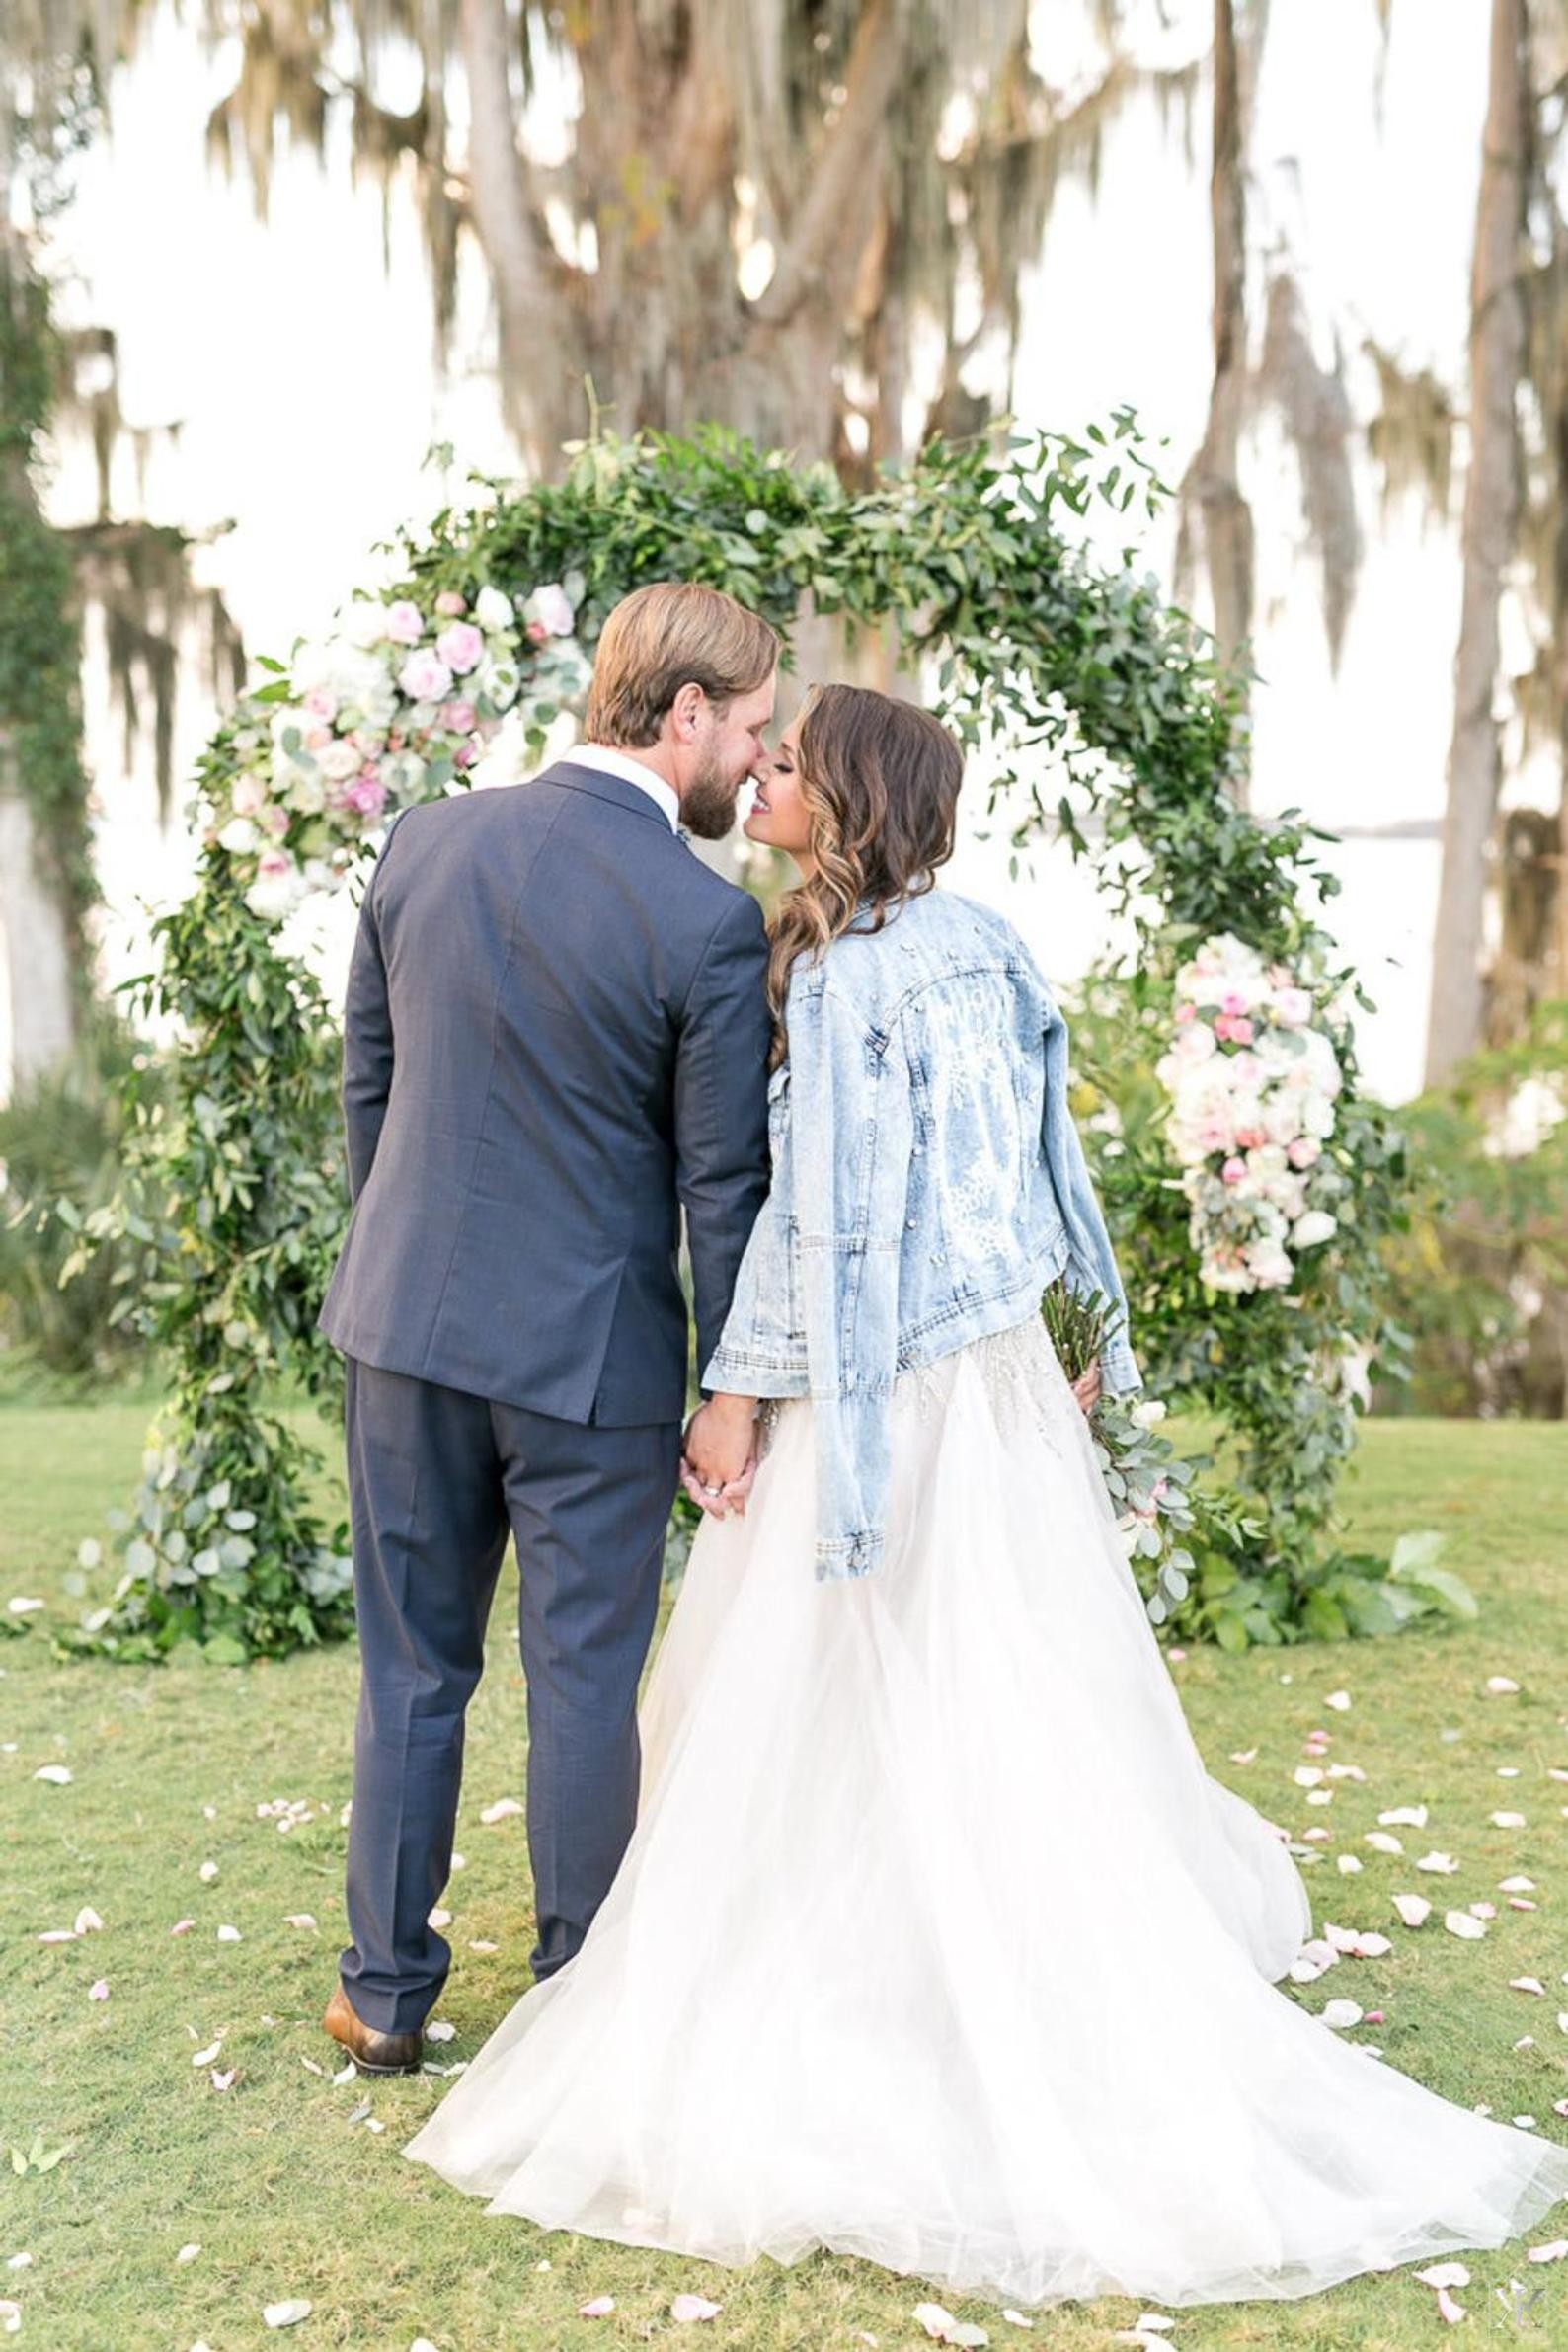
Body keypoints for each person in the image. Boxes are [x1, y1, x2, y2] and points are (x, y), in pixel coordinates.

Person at [403, 684, 1568, 2310]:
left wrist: (738, 1394)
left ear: (852, 800)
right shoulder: (990, 946)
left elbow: (820, 1225)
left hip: (881, 1397)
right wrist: (1070, 1326)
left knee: (864, 1681)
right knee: (1007, 1674)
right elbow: (1040, 1171)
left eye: (795, 763)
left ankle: (907, 1983)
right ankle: (992, 1951)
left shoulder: (843, 981)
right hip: (1000, 1379)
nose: (768, 775)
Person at [315, 581, 779, 2074]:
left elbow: (369, 1097)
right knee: (583, 1679)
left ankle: (384, 1995)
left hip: (404, 1334)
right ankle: (579, 2006)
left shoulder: (424, 842)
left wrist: (405, 1260)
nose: (759, 767)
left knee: (411, 1668)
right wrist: (733, 1389)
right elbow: (725, 1187)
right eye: (755, 730)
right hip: (593, 1371)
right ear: (686, 714)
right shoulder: (708, 921)